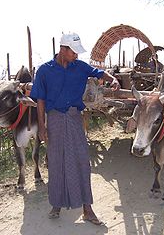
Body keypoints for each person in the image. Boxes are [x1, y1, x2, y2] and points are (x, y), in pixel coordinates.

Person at [30, 32, 120, 225]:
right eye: (73, 52)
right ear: (63, 49)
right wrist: (42, 126)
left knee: (81, 161)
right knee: (56, 162)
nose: (76, 55)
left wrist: (112, 78)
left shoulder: (79, 67)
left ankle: (87, 209)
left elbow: (98, 72)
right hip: (54, 120)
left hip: (74, 118)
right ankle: (57, 204)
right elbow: (40, 100)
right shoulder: (45, 71)